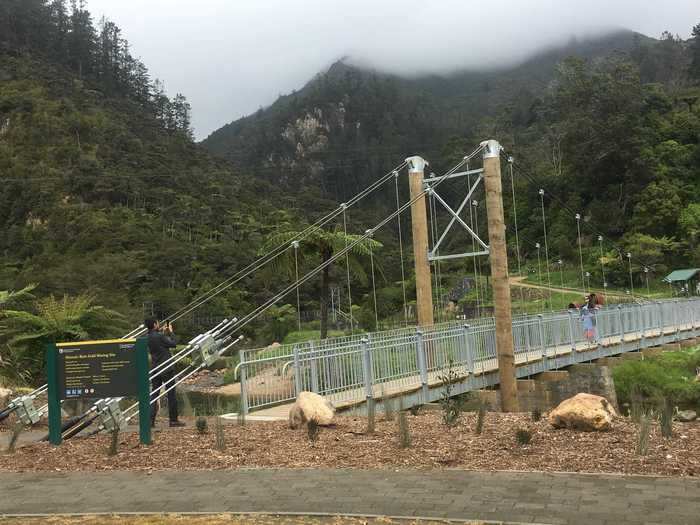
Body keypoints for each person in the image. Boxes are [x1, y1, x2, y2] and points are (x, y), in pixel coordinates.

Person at [145, 318, 185, 427]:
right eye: (158, 323)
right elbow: (174, 343)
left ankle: (150, 421)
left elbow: (158, 343)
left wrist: (162, 332)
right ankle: (173, 420)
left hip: (155, 369)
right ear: (154, 324)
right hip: (166, 368)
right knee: (171, 394)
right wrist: (171, 331)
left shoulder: (147, 337)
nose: (159, 324)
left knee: (154, 394)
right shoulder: (160, 336)